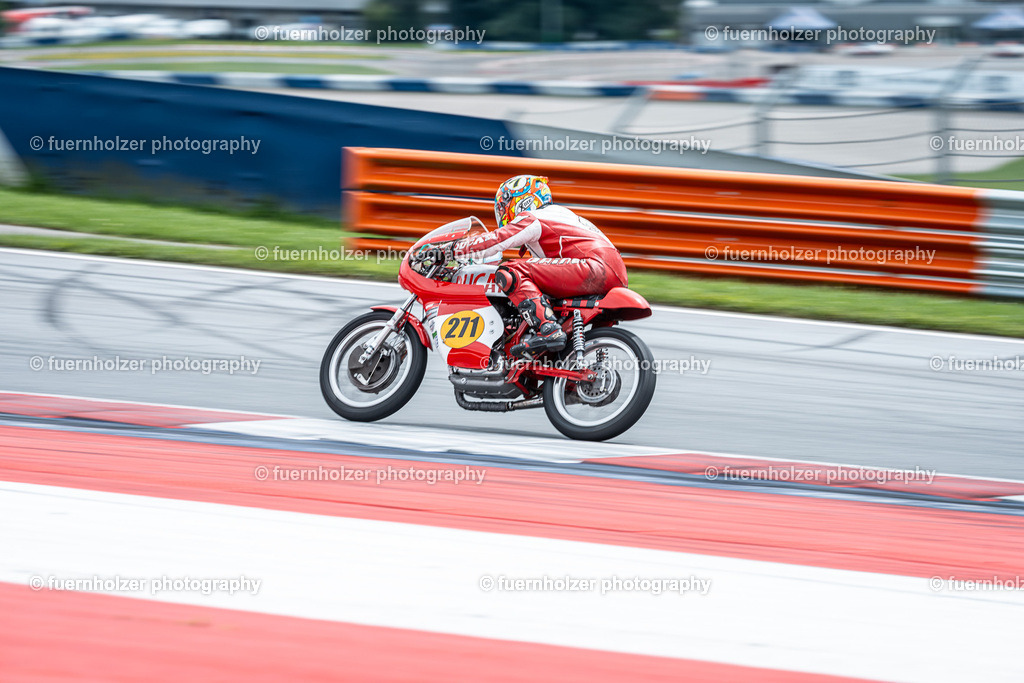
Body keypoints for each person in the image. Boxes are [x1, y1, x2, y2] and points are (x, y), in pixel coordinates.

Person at [448, 175, 628, 357]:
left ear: (520, 201)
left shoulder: (534, 217)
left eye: (504, 206)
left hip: (593, 267)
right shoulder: (565, 215)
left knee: (510, 270)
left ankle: (548, 328)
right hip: (616, 273)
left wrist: (452, 249)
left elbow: (495, 241)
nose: (503, 213)